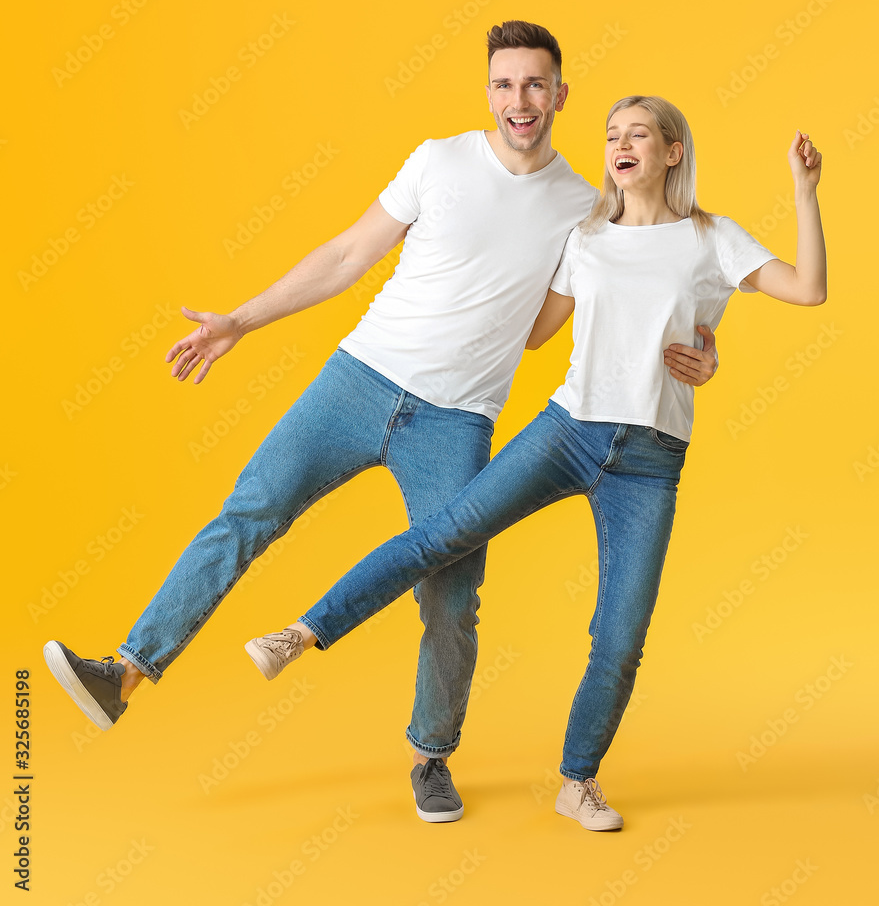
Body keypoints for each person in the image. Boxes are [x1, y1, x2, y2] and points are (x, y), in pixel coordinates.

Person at [43, 25, 718, 825]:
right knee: (249, 512)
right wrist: (240, 321)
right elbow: (344, 255)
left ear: (560, 95)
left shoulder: (583, 206)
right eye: (504, 85)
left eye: (535, 85)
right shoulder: (438, 160)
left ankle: (430, 756)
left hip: (457, 418)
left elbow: (567, 318)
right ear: (489, 93)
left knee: (451, 594)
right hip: (358, 380)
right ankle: (123, 671)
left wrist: (694, 352)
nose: (519, 102)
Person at [247, 97, 826, 832]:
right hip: (567, 431)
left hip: (649, 461)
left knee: (619, 638)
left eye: (637, 135)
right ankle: (300, 634)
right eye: (611, 134)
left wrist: (801, 201)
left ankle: (576, 782)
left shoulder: (713, 239)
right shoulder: (584, 238)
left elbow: (807, 290)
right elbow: (530, 334)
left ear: (671, 152)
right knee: (443, 537)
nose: (619, 145)